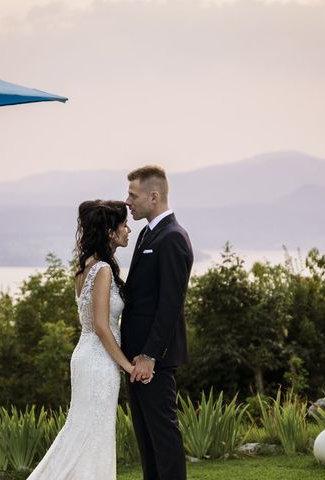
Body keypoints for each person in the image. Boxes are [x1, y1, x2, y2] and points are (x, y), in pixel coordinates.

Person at [27, 199, 138, 480]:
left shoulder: (88, 266)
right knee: (92, 436)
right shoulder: (101, 270)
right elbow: (102, 326)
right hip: (98, 361)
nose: (128, 229)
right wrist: (127, 365)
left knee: (84, 434)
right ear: (110, 232)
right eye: (123, 225)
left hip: (87, 356)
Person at [122, 166, 194, 480]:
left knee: (163, 438)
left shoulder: (173, 237)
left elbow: (170, 305)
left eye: (133, 195)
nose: (128, 202)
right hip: (135, 358)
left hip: (154, 361)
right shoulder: (147, 233)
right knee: (147, 442)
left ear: (154, 196)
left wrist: (150, 356)